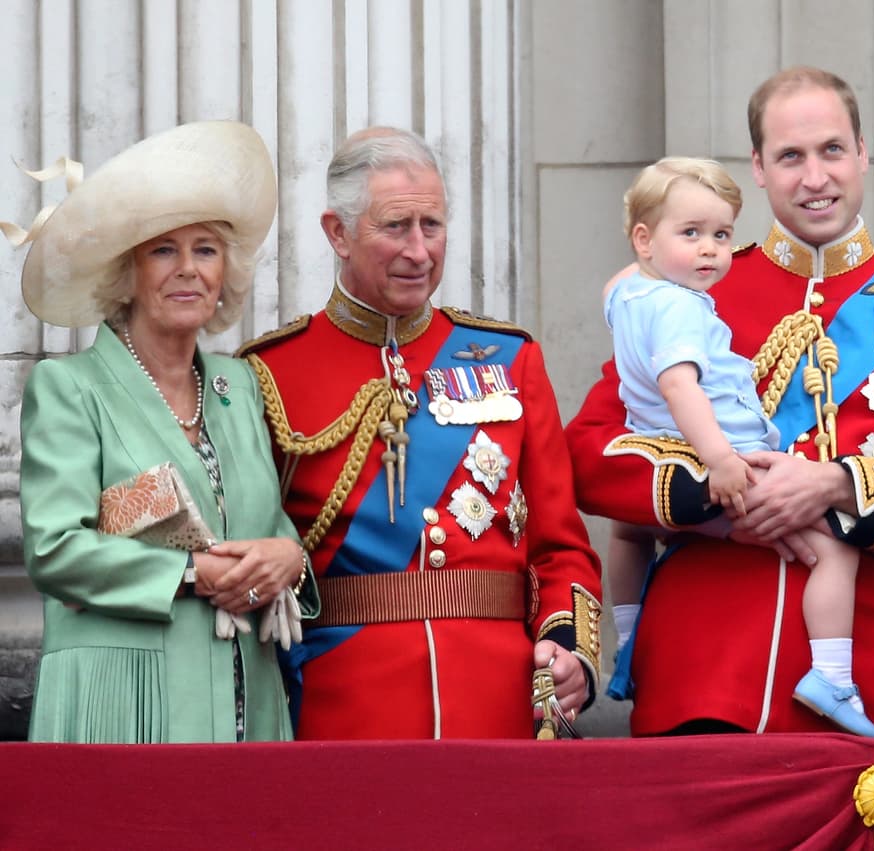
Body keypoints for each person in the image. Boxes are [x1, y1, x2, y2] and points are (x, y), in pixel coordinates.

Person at [566, 66, 874, 737]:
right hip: (701, 664)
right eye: (790, 156)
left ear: (863, 154)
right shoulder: (694, 291)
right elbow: (591, 450)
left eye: (831, 151)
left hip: (865, 676)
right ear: (758, 168)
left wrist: (836, 485)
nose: (814, 177)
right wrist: (717, 493)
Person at [238, 126, 603, 740]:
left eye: (431, 226)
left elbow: (560, 546)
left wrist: (570, 652)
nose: (419, 250)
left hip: (496, 702)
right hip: (340, 700)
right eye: (395, 227)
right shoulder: (270, 372)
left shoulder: (511, 359)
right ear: (338, 233)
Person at [10, 120, 318, 743]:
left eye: (205, 249)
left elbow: (265, 521)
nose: (188, 270)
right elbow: (54, 549)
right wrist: (191, 574)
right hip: (126, 702)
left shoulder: (239, 385)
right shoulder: (70, 390)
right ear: (126, 273)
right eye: (162, 250)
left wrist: (290, 556)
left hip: (247, 702)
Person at [604, 156, 874, 736]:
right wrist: (721, 464)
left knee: (628, 535)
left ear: (860, 153)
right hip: (729, 466)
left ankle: (627, 636)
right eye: (693, 235)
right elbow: (612, 437)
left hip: (672, 459)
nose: (709, 251)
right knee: (830, 548)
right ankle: (832, 674)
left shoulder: (632, 291)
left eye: (721, 236)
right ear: (760, 163)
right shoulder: (685, 302)